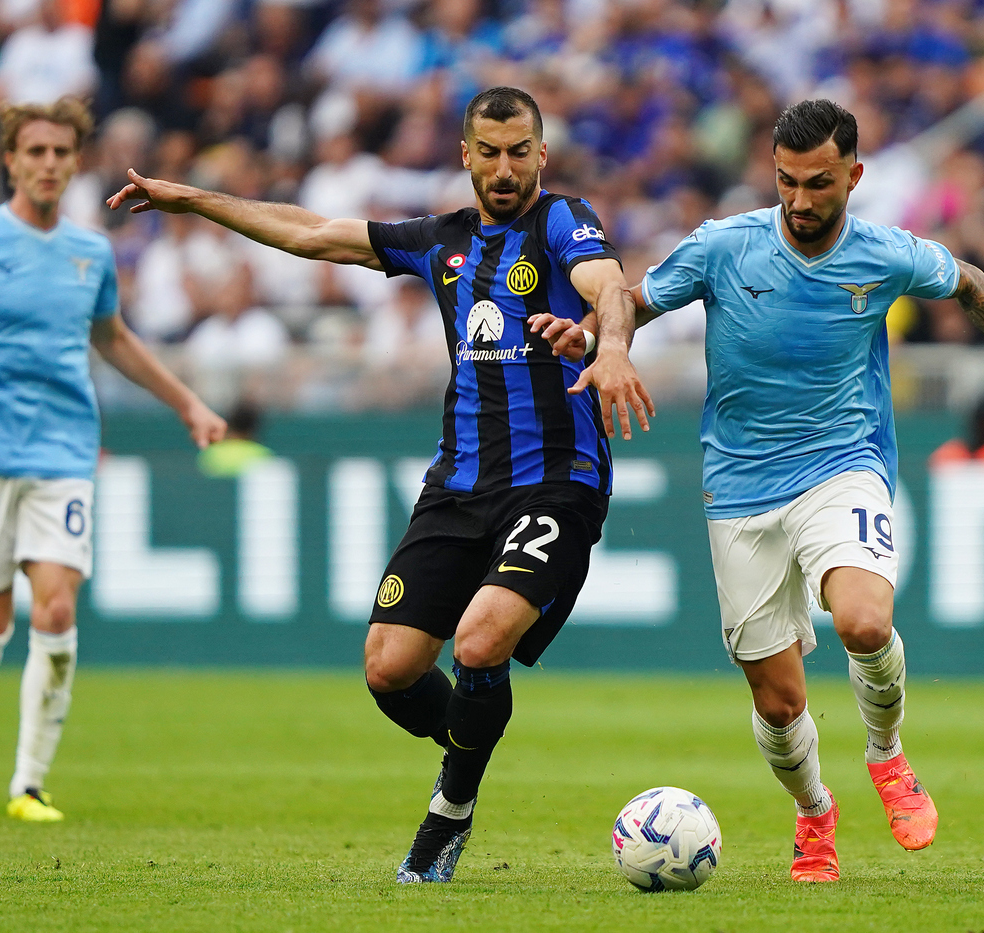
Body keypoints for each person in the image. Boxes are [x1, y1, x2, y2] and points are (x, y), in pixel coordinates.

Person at [538, 99, 984, 883]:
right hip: (738, 487)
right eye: (787, 182)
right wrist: (606, 342)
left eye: (820, 184)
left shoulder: (883, 253)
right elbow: (634, 300)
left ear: (854, 176)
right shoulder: (725, 245)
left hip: (844, 462)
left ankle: (888, 754)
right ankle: (814, 813)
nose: (801, 201)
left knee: (865, 623)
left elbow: (969, 281)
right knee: (777, 703)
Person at [108, 85, 652, 883]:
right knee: (389, 667)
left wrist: (611, 345)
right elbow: (313, 234)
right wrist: (192, 200)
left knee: (478, 639)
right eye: (490, 153)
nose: (506, 169)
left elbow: (607, 281)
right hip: (459, 483)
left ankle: (449, 811)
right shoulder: (440, 241)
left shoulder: (563, 220)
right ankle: (475, 730)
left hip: (555, 482)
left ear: (543, 154)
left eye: (520, 151)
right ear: (466, 155)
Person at [0, 97, 227, 822]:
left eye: (61, 153)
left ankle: (28, 783)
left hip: (63, 452)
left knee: (55, 607)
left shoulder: (91, 252)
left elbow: (113, 338)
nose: (49, 164)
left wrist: (187, 403)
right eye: (36, 152)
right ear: (11, 160)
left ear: (74, 161)